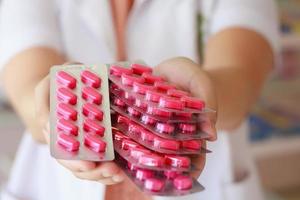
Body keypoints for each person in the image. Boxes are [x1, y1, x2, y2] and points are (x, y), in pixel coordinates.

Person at [0, 0, 279, 200]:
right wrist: (55, 104)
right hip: (58, 187)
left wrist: (198, 100)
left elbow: (240, 77)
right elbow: (29, 87)